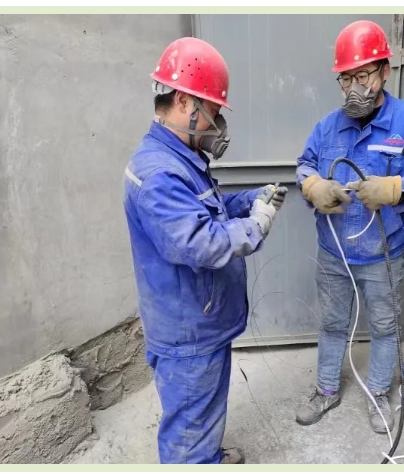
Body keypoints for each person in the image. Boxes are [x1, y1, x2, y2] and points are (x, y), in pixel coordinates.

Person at [123, 37, 288, 465]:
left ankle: (207, 457)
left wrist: (249, 200)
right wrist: (256, 224)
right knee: (190, 423)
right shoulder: (160, 173)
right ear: (184, 102)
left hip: (199, 318)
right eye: (214, 111)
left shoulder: (178, 157)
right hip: (188, 329)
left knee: (203, 408)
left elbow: (204, 212)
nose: (219, 125)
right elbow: (202, 243)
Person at [294, 20, 404, 433]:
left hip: (383, 252)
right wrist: (312, 185)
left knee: (384, 326)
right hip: (334, 251)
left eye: (362, 75)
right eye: (346, 78)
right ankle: (326, 390)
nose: (354, 88)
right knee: (332, 324)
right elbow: (305, 164)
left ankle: (379, 391)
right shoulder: (328, 126)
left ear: (385, 70)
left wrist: (398, 187)